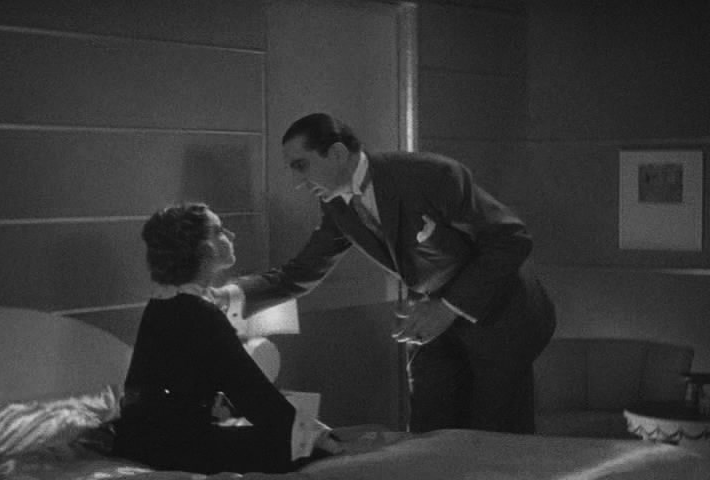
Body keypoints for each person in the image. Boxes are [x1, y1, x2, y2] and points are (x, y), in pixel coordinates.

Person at [234, 113, 557, 434]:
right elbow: (304, 270)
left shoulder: (430, 174)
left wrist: (447, 308)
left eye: (301, 165)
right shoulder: (337, 205)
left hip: (500, 314)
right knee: (428, 431)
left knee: (497, 439)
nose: (297, 181)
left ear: (337, 153)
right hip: (433, 324)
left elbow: (511, 240)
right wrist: (232, 296)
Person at [112, 202, 342, 475]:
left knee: (285, 438)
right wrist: (315, 436)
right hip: (170, 446)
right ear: (204, 248)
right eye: (219, 231)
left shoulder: (164, 305)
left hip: (145, 439)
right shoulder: (198, 314)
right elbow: (252, 393)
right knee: (303, 451)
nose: (231, 235)